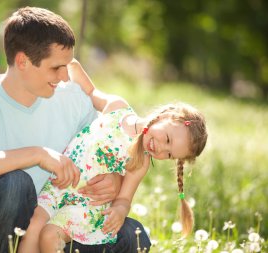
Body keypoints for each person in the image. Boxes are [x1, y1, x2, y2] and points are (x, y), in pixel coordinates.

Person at [0, 6, 151, 253]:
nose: (65, 77)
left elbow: (101, 152)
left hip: (52, 231)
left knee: (133, 237)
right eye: (56, 68)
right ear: (23, 61)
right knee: (15, 184)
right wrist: (36, 154)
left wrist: (113, 182)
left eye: (67, 66)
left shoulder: (73, 98)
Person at [18, 60, 208, 253]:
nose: (160, 149)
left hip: (86, 207)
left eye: (168, 154)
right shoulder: (118, 108)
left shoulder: (140, 162)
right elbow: (91, 92)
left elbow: (125, 198)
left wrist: (119, 210)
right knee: (33, 227)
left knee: (49, 236)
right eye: (166, 139)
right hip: (58, 186)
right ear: (165, 116)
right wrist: (74, 67)